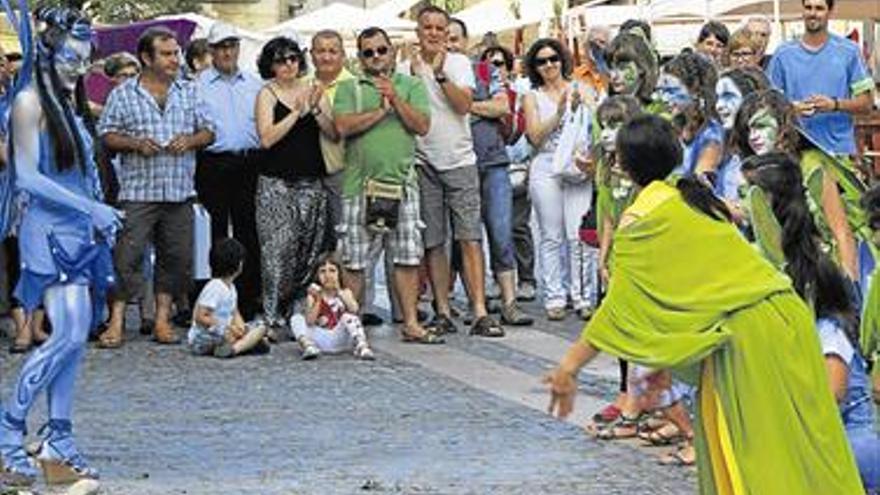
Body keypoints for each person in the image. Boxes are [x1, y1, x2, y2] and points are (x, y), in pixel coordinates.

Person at [545, 115, 863, 494]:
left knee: (753, 456)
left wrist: (568, 368)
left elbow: (617, 311)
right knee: (808, 443)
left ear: (623, 165)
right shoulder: (693, 196)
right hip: (783, 318)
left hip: (744, 335)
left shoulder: (640, 216)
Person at [0, 6, 123, 485]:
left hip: (76, 233)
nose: (78, 67)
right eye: (70, 57)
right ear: (48, 52)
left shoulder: (65, 104)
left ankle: (58, 440)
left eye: (84, 59)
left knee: (73, 343)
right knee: (69, 336)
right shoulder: (29, 102)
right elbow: (26, 176)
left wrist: (94, 214)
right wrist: (89, 208)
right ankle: (10, 430)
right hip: (48, 236)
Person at [742, 153, 879, 492]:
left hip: (843, 450)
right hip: (821, 445)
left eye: (751, 198)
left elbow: (833, 390)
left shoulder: (825, 310)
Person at [99, 27, 215, 348]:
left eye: (176, 53)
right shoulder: (124, 93)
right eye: (166, 54)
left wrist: (190, 140)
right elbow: (106, 135)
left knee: (176, 258)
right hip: (138, 192)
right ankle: (117, 322)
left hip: (178, 191)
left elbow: (209, 131)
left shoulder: (189, 90)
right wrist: (135, 144)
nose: (174, 59)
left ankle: (163, 320)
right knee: (127, 257)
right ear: (146, 58)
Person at [399, 6, 504, 337]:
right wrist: (415, 76)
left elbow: (463, 106)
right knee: (434, 241)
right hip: (423, 160)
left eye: (438, 28)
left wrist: (440, 74)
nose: (432, 33)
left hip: (459, 160)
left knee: (470, 237)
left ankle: (479, 311)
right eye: (426, 27)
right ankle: (442, 309)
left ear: (447, 34)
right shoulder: (405, 67)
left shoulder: (458, 63)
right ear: (418, 32)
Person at [334, 27, 439, 344]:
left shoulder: (411, 85)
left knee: (407, 258)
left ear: (392, 51)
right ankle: (353, 326)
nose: (376, 56)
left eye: (381, 50)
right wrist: (381, 111)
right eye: (369, 52)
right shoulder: (349, 88)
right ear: (360, 58)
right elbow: (343, 126)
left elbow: (421, 125)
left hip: (402, 184)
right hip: (359, 186)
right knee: (354, 261)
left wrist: (395, 99)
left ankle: (410, 321)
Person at [734, 90, 863, 281]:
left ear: (782, 126)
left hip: (828, 268)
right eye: (748, 130)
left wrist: (851, 288)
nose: (753, 136)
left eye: (760, 126)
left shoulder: (812, 165)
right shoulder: (752, 171)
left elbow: (842, 232)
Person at [254, 36, 336, 330]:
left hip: (310, 181)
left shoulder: (314, 89)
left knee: (308, 252)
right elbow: (266, 138)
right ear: (270, 65)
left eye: (292, 58)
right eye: (280, 59)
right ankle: (272, 313)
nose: (288, 64)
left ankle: (299, 311)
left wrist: (314, 109)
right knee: (277, 252)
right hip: (275, 182)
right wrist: (295, 114)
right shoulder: (267, 93)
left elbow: (333, 131)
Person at [459, 21, 532, 326]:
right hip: (458, 166)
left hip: (494, 162)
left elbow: (501, 107)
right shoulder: (434, 77)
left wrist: (464, 104)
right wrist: (481, 105)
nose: (449, 43)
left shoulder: (484, 71)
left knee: (501, 234)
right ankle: (474, 302)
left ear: (465, 40)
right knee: (465, 238)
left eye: (454, 37)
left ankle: (510, 302)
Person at [522, 38, 597, 321]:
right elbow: (534, 137)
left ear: (562, 60)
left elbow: (594, 129)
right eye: (541, 61)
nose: (549, 65)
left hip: (578, 167)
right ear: (535, 67)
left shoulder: (583, 89)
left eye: (553, 58)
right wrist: (560, 112)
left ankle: (582, 296)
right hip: (546, 167)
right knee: (551, 235)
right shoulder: (532, 97)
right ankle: (554, 295)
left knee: (579, 235)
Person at [195, 22, 263, 321]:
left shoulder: (255, 82)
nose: (227, 52)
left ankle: (247, 299)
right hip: (214, 162)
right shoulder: (196, 85)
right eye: (221, 46)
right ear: (211, 51)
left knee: (249, 231)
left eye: (231, 45)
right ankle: (210, 303)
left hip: (249, 162)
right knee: (215, 233)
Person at [766, 0, 874, 157]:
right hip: (795, 151)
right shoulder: (783, 54)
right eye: (808, 7)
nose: (813, 13)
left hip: (839, 152)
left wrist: (834, 104)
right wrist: (791, 108)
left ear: (830, 12)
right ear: (802, 11)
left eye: (819, 8)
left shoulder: (849, 51)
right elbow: (767, 104)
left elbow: (867, 105)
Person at [188, 238, 269, 358]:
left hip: (223, 334)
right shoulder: (214, 287)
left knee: (261, 326)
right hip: (203, 337)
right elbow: (201, 316)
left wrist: (241, 329)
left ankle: (238, 345)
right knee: (255, 334)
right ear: (239, 265)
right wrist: (225, 328)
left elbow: (235, 313)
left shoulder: (231, 288)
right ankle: (238, 348)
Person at [290, 254, 375, 360]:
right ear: (317, 275)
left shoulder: (345, 292)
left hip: (340, 338)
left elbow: (354, 309)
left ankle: (362, 346)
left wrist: (338, 291)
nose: (327, 275)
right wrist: (318, 299)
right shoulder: (313, 295)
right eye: (322, 271)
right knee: (296, 318)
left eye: (332, 271)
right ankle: (308, 346)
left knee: (349, 317)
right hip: (320, 339)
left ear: (339, 274)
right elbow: (310, 321)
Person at [655, 51, 724, 177]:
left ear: (695, 91)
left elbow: (699, 184)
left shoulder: (711, 134)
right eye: (661, 91)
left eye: (671, 91)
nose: (664, 98)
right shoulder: (670, 126)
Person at [713, 67, 769, 203]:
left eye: (728, 96)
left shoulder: (767, 152)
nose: (719, 105)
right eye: (717, 98)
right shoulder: (718, 146)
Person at [573, 25, 610, 98]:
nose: (598, 46)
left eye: (602, 42)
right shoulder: (577, 75)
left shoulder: (614, 74)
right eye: (593, 43)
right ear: (585, 47)